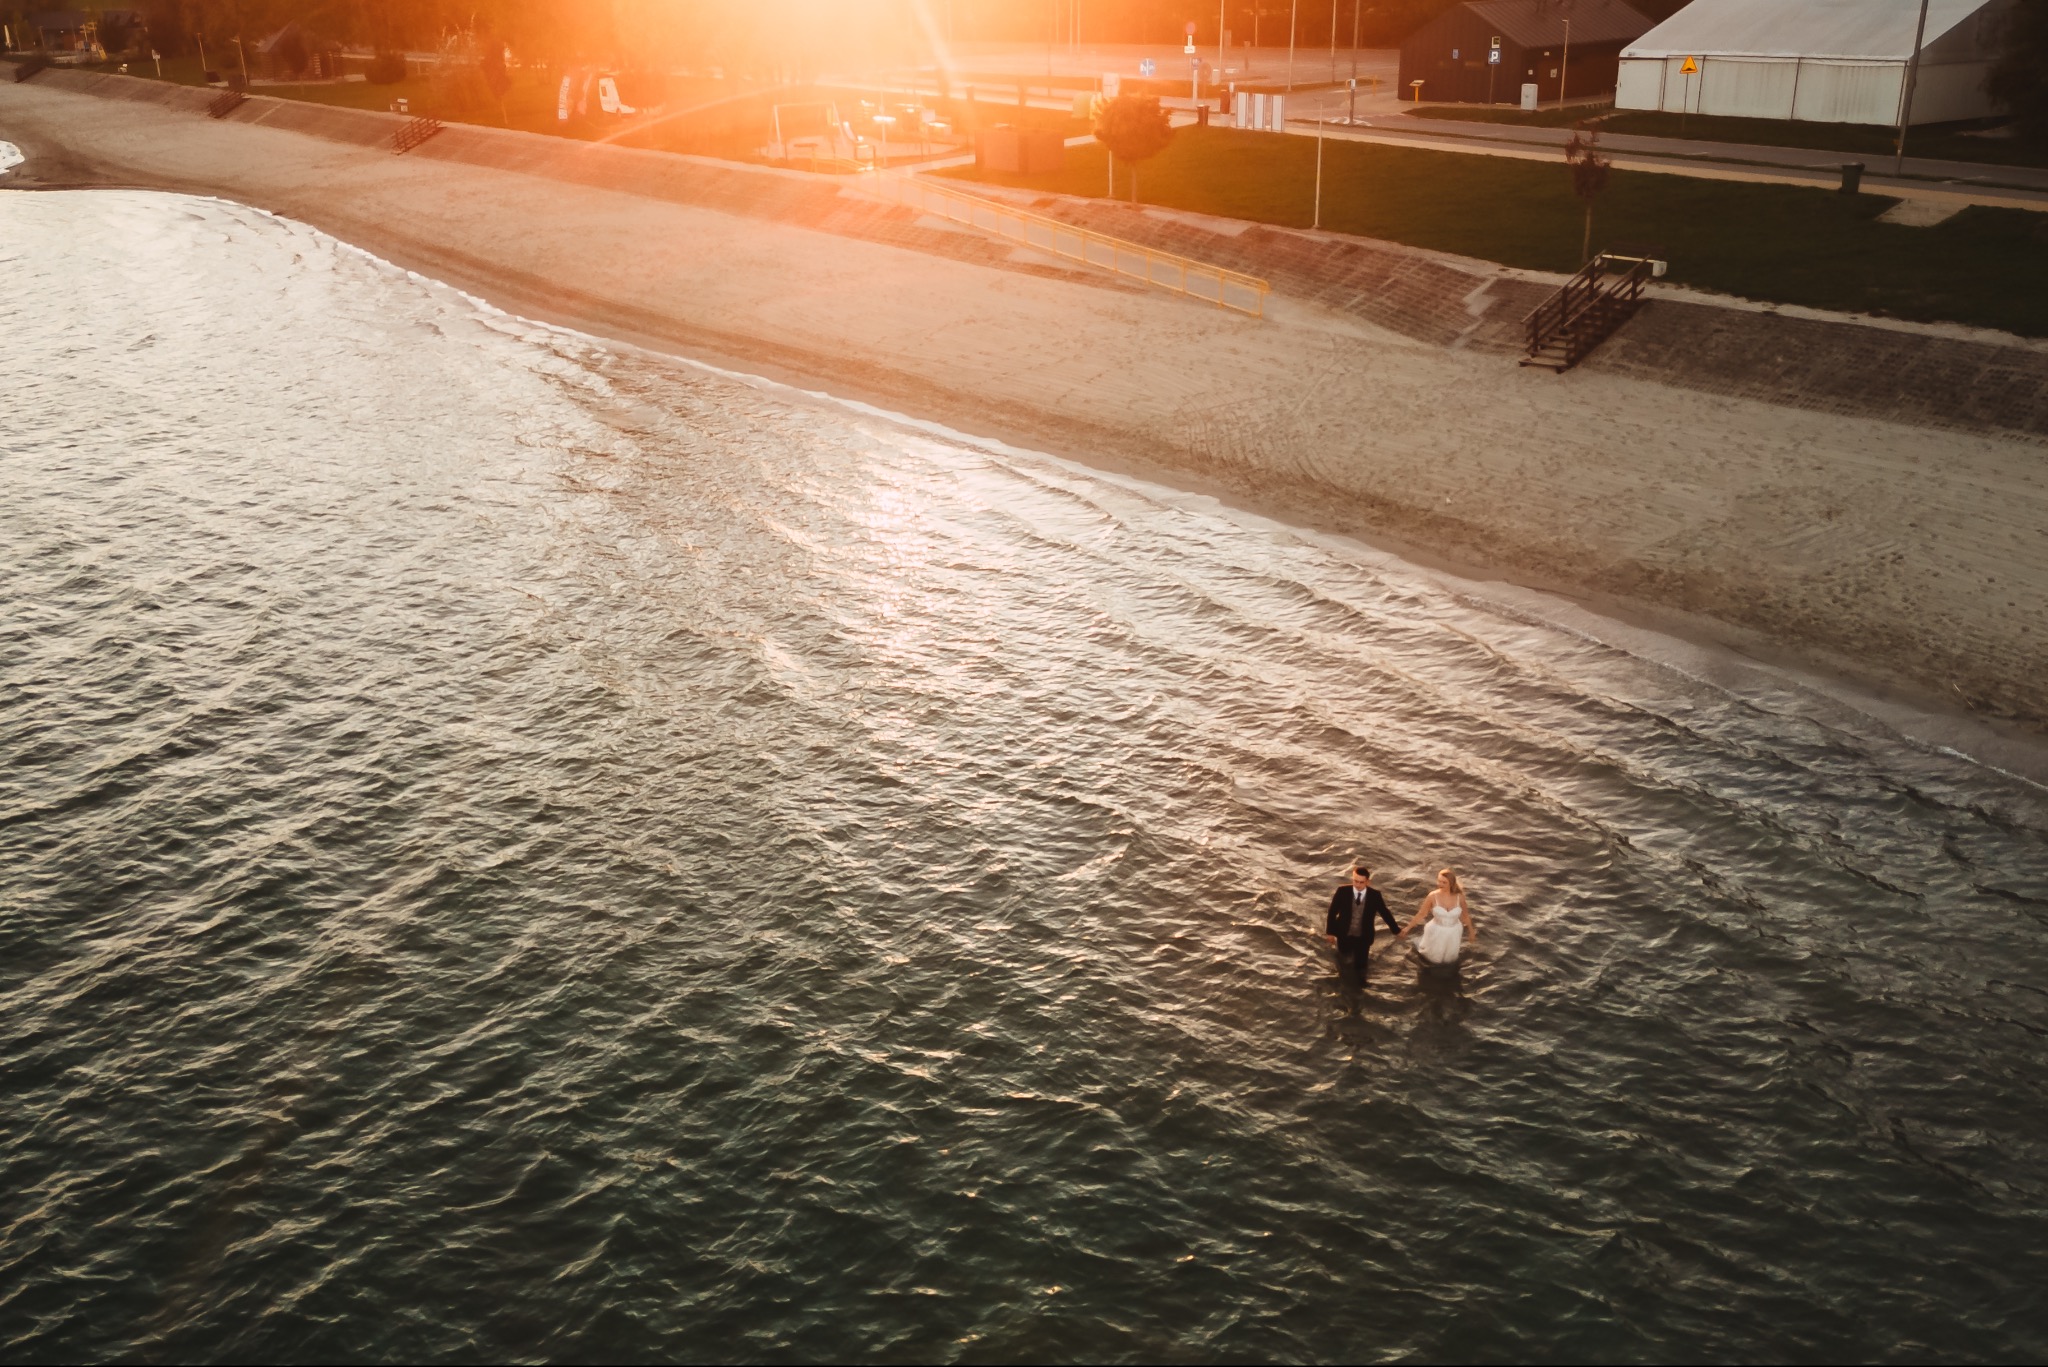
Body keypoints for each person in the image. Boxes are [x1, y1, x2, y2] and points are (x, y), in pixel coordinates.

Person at [1324, 862, 1398, 977]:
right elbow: (1332, 912)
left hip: (1363, 937)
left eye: (1361, 882)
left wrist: (1396, 930)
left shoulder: (1375, 895)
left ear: (1368, 882)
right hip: (1344, 933)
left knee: (1361, 967)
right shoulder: (1342, 891)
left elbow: (1385, 913)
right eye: (1355, 881)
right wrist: (1330, 932)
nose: (1357, 885)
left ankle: (1361, 985)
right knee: (1343, 960)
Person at [1400, 867, 1476, 966]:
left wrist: (1471, 932)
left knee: (1450, 961)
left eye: (1444, 882)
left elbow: (1465, 915)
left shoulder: (1459, 897)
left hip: (1454, 932)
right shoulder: (1432, 896)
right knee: (1433, 960)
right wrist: (1407, 928)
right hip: (1436, 931)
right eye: (1439, 881)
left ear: (1451, 883)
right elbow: (1422, 914)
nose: (1440, 884)